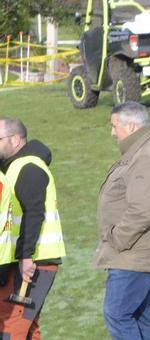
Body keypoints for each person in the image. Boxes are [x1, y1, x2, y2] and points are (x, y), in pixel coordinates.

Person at [94, 102, 150, 340]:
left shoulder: (145, 156)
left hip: (132, 254)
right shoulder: (140, 151)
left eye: (114, 125)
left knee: (117, 314)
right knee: (137, 315)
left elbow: (141, 212)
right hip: (134, 252)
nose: (112, 132)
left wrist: (117, 239)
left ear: (130, 126)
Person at [0, 118, 64, 337]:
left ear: (16, 140)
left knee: (12, 324)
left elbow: (34, 212)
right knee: (30, 325)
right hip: (29, 260)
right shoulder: (14, 167)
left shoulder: (28, 167)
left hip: (34, 262)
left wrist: (26, 256)